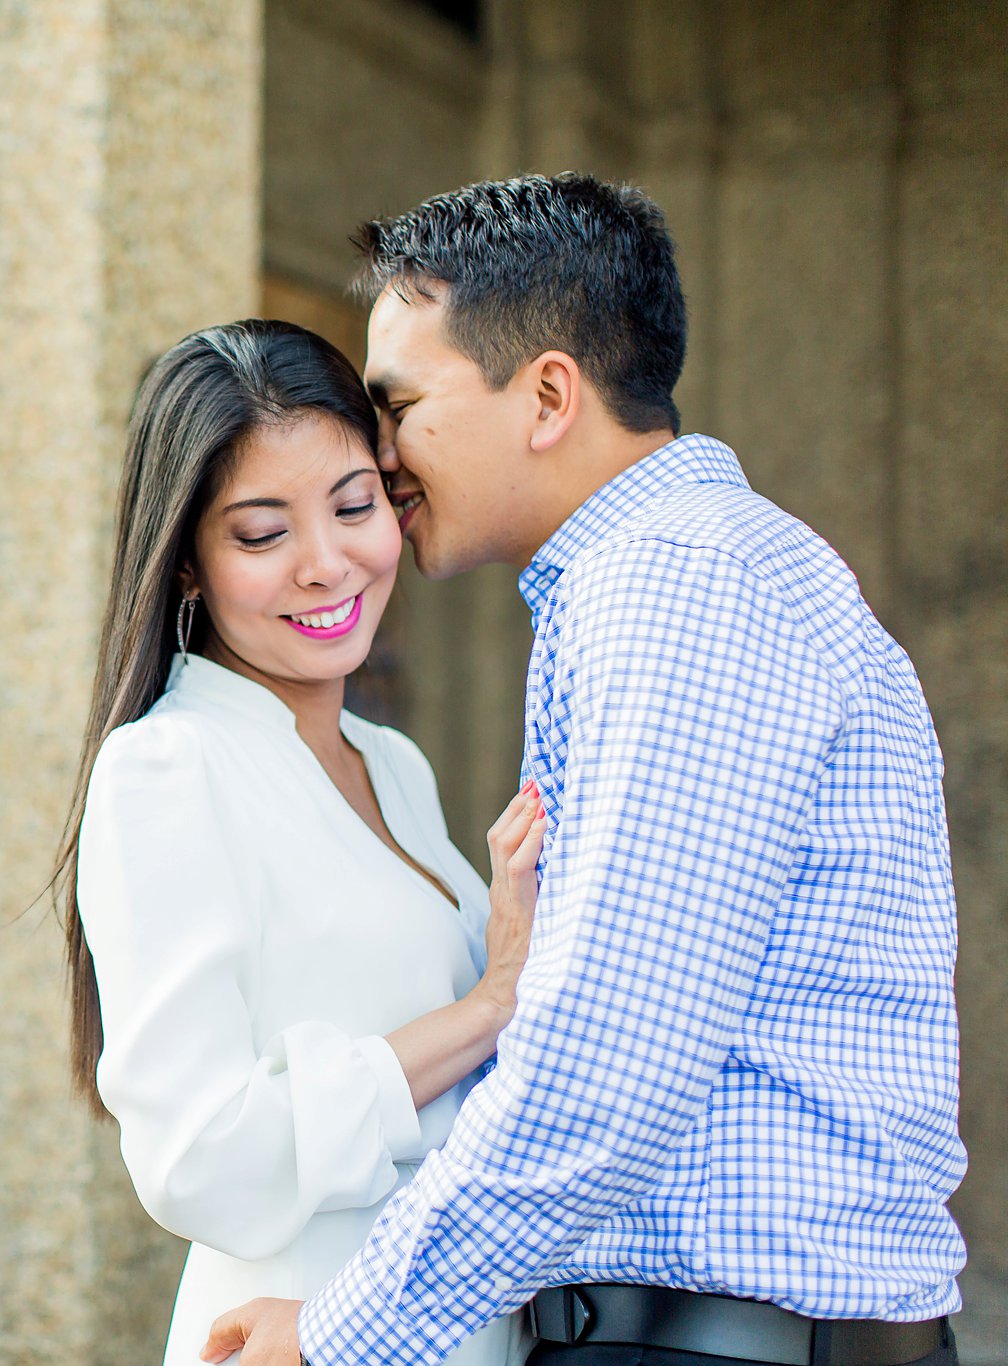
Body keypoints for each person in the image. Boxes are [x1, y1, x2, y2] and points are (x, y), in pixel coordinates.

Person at [201, 174, 965, 1366]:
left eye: (398, 405)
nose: (380, 457)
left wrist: (343, 1332)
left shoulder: (674, 584)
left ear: (547, 393)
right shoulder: (694, 572)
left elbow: (606, 1064)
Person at [50, 318, 544, 1366]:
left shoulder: (391, 763)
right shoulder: (167, 769)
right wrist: (485, 1007)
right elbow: (200, 1161)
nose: (325, 565)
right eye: (261, 533)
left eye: (353, 506)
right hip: (291, 1326)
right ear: (185, 565)